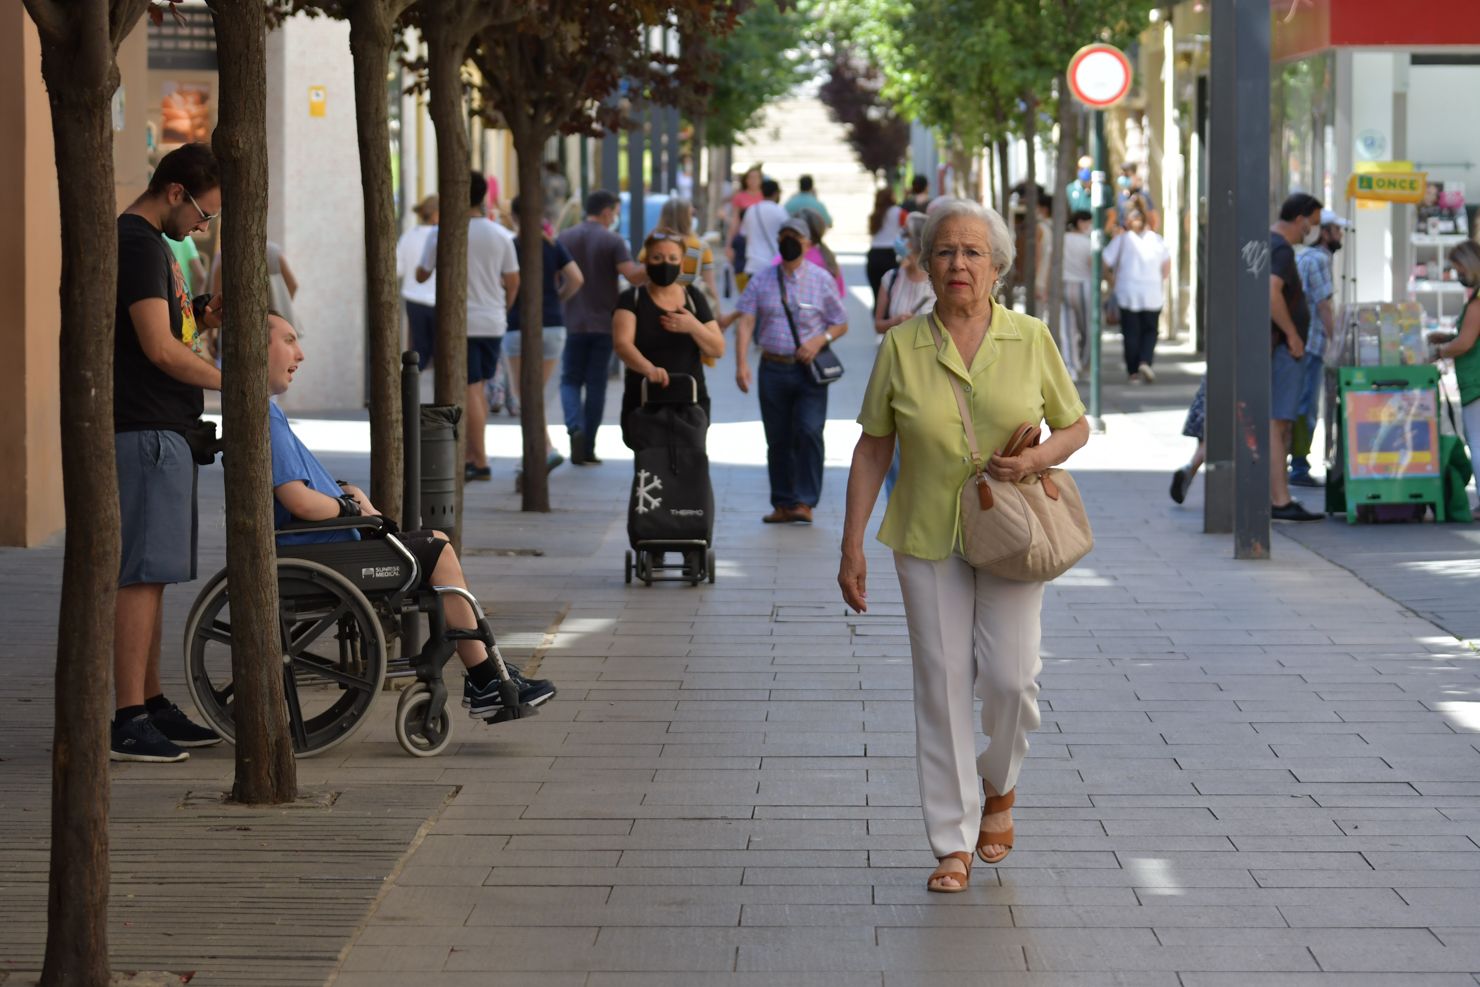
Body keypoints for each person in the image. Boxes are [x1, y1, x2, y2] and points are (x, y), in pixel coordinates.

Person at [839, 198, 1089, 893]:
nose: (958, 264)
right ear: (924, 260)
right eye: (945, 250)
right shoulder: (902, 345)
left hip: (1010, 532)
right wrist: (850, 544)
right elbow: (873, 445)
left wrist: (1037, 462)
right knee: (943, 684)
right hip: (925, 531)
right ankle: (952, 841)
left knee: (1013, 678)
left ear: (998, 266)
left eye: (973, 252)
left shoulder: (1031, 337)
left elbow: (1074, 427)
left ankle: (999, 784)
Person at [264, 313, 555, 714]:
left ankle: (488, 672)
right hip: (326, 551)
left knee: (435, 544)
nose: (300, 353)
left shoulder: (268, 414)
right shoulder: (268, 419)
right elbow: (297, 498)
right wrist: (347, 505)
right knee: (437, 549)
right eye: (289, 340)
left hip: (326, 544)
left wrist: (348, 494)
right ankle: (486, 676)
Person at [110, 141, 225, 763]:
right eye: (202, 216)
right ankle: (128, 714)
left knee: (155, 575)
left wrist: (204, 317)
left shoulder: (156, 247)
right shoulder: (137, 244)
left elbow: (172, 330)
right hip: (147, 428)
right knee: (142, 574)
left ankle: (150, 702)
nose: (202, 229)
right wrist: (235, 381)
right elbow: (157, 348)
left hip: (166, 430)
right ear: (175, 192)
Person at [733, 216, 848, 525]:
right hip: (772, 368)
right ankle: (783, 502)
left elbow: (841, 322)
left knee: (810, 431)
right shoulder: (762, 279)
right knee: (778, 438)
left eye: (794, 236)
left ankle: (805, 501)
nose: (788, 241)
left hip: (808, 370)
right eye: (783, 235)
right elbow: (745, 321)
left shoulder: (822, 279)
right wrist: (741, 364)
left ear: (808, 244)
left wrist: (819, 340)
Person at [417, 171, 520, 483]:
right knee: (478, 389)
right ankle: (473, 455)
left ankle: (480, 460)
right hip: (492, 321)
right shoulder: (500, 234)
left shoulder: (441, 232)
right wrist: (503, 307)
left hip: (461, 323)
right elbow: (513, 281)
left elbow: (422, 274)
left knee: (470, 389)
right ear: (483, 197)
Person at [557, 189, 648, 465]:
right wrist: (659, 260)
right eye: (616, 212)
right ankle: (588, 447)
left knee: (570, 379)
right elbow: (632, 276)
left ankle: (574, 426)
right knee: (596, 384)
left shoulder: (565, 237)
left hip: (572, 321)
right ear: (608, 211)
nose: (616, 217)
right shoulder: (613, 240)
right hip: (604, 323)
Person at [614, 227, 726, 441]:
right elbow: (622, 344)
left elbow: (717, 348)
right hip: (644, 400)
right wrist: (650, 370)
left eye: (672, 257)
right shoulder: (631, 299)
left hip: (690, 403)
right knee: (651, 467)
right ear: (646, 261)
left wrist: (693, 326)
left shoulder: (694, 298)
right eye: (657, 257)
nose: (665, 263)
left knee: (689, 465)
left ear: (682, 263)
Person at [505, 194, 584, 488]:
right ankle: (540, 452)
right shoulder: (553, 245)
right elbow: (576, 278)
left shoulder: (511, 246)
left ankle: (541, 452)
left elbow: (508, 283)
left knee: (524, 395)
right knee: (534, 394)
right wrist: (557, 299)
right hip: (552, 325)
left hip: (518, 325)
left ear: (514, 217)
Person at [1269, 192, 1325, 522]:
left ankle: (1277, 496)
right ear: (1300, 218)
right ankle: (1280, 498)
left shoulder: (1270, 244)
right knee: (1278, 424)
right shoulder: (1280, 248)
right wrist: (1291, 333)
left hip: (1277, 348)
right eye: (1313, 223)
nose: (1312, 230)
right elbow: (1271, 290)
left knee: (1277, 424)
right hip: (1282, 350)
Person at [1290, 208, 1347, 486]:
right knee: (1307, 406)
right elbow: (1324, 305)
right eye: (1337, 231)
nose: (1341, 236)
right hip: (1312, 343)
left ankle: (1296, 462)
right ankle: (1299, 466)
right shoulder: (1320, 260)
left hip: (1301, 341)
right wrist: (1336, 341)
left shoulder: (1305, 257)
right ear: (1325, 233)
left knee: (1301, 403)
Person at [1101, 204, 1170, 384]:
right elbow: (1166, 267)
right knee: (1150, 331)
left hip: (1127, 292)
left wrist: (1112, 280)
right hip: (1152, 292)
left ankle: (1133, 372)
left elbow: (1105, 261)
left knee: (1131, 332)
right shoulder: (1157, 240)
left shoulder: (1122, 240)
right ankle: (1145, 361)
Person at [1427, 241, 1480, 467]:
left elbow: (1466, 342)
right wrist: (1449, 337)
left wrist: (1439, 352)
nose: (1457, 274)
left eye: (1458, 268)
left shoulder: (1477, 303)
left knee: (1477, 444)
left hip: (1476, 383)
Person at [638, 197, 719, 306]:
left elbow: (642, 279)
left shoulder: (652, 245)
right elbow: (710, 285)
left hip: (655, 304)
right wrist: (717, 311)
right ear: (687, 218)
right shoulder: (701, 247)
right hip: (690, 307)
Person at [874, 212, 935, 334]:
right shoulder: (891, 277)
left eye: (906, 234)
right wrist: (894, 322)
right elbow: (878, 326)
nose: (899, 238)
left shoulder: (938, 282)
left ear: (919, 242)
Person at [397, 195, 439, 370]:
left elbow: (398, 269)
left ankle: (413, 391)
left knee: (418, 352)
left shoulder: (408, 236)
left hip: (414, 300)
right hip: (439, 301)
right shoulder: (442, 235)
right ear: (436, 214)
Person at [1059, 210, 1093, 380]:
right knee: (1088, 329)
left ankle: (1071, 365)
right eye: (1088, 223)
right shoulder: (1088, 242)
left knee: (1067, 329)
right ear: (1081, 222)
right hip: (1084, 286)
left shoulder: (1062, 239)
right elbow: (1093, 265)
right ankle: (1084, 364)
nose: (1090, 227)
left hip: (1063, 285)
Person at [740, 179, 789, 285]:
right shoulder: (780, 212)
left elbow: (744, 234)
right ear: (776, 193)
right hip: (773, 265)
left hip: (753, 265)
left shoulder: (751, 210)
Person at [725, 165, 764, 288]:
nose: (753, 181)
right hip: (743, 238)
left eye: (756, 178)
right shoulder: (740, 197)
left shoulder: (764, 196)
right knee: (741, 271)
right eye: (750, 178)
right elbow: (735, 220)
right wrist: (729, 244)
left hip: (760, 238)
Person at [867, 188, 906, 308]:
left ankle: (878, 321)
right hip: (891, 255)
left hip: (874, 255)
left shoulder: (875, 214)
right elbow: (910, 229)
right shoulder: (899, 212)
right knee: (892, 295)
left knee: (877, 296)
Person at [1114, 163, 1158, 231]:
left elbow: (1154, 220)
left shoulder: (1143, 195)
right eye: (1122, 175)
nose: (1123, 178)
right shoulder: (1121, 196)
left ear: (1135, 176)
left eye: (1127, 175)